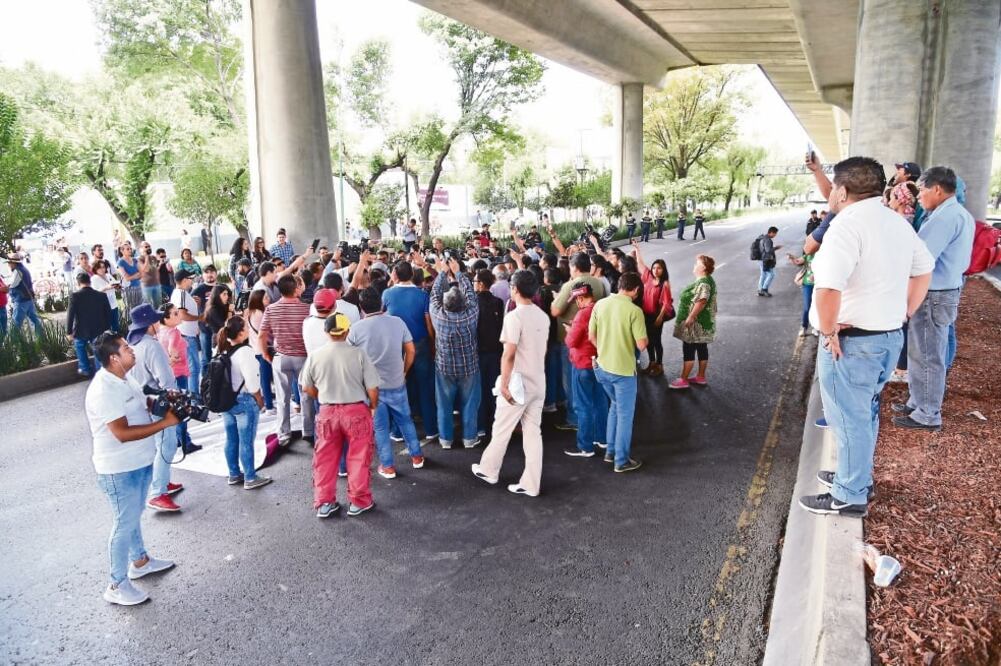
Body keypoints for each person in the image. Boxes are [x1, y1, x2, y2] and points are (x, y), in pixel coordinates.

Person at [798, 156, 933, 518]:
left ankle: (848, 494)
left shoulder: (845, 227)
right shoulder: (896, 223)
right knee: (865, 414)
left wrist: (829, 331)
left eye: (832, 188)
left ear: (842, 191)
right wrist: (905, 311)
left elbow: (828, 289)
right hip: (887, 337)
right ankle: (856, 477)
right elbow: (925, 270)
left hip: (852, 343)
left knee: (849, 419)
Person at [86, 332, 180, 606]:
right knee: (124, 523)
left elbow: (142, 403)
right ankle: (116, 584)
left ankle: (140, 561)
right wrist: (165, 423)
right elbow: (122, 433)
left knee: (133, 516)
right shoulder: (104, 389)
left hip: (138, 461)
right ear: (114, 358)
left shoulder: (126, 377)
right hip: (119, 469)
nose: (132, 350)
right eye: (126, 348)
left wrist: (162, 402)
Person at [893, 166, 974, 432]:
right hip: (942, 292)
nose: (919, 196)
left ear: (937, 189)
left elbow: (919, 257)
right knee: (922, 352)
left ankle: (927, 414)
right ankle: (918, 402)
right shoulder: (956, 214)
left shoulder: (944, 218)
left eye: (922, 190)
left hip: (934, 294)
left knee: (927, 355)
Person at [472, 269, 549, 496]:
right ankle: (531, 484)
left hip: (518, 383)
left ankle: (489, 470)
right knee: (533, 434)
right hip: (538, 381)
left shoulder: (514, 317)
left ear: (514, 289)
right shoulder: (542, 316)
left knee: (501, 428)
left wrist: (504, 384)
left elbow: (508, 354)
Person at [301, 312, 380, 519]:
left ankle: (325, 503)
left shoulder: (315, 356)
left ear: (326, 332)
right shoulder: (359, 354)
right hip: (356, 411)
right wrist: (373, 405)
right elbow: (372, 387)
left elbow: (306, 387)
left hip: (327, 412)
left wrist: (321, 396)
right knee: (358, 458)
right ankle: (358, 502)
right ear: (347, 331)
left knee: (325, 459)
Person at [349, 287, 424, 478]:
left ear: (361, 307)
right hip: (397, 381)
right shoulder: (397, 322)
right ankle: (417, 456)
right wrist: (404, 371)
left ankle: (388, 466)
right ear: (381, 304)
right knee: (405, 420)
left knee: (381, 428)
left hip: (372, 388)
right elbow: (411, 350)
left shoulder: (356, 329)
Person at [126, 304, 187, 512]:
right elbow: (166, 379)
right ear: (149, 324)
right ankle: (158, 493)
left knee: (159, 444)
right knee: (167, 445)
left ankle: (163, 482)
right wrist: (176, 400)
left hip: (142, 402)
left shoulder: (132, 344)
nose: (158, 323)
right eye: (155, 320)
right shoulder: (151, 346)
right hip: (159, 403)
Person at [590, 272, 647, 473]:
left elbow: (591, 336)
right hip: (623, 372)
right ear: (636, 290)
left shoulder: (600, 304)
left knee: (614, 406)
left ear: (619, 285)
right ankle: (621, 461)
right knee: (625, 416)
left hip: (601, 368)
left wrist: (605, 349)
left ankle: (610, 451)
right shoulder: (634, 311)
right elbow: (641, 345)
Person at [551, 252, 607, 432]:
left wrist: (556, 298)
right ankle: (596, 421)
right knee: (594, 384)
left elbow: (556, 311)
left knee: (572, 382)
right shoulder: (598, 283)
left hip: (573, 341)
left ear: (574, 267)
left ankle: (575, 419)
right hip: (594, 339)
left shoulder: (571, 285)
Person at [382, 261, 437, 442]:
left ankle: (398, 431)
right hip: (420, 343)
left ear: (395, 275)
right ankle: (430, 428)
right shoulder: (422, 295)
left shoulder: (387, 294)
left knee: (399, 387)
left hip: (396, 345)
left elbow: (381, 316)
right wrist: (433, 344)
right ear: (412, 275)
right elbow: (428, 324)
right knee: (425, 386)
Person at [429, 257, 481, 449]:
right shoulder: (471, 314)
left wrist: (443, 272)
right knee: (470, 404)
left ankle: (446, 440)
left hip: (444, 367)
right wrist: (458, 272)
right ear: (463, 303)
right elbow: (471, 294)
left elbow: (434, 294)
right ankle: (469, 439)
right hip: (469, 366)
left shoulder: (438, 315)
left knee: (444, 404)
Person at [215, 316, 272, 489]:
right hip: (244, 401)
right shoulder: (245, 352)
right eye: (246, 327)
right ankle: (250, 478)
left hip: (226, 401)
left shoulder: (220, 349)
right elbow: (253, 384)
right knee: (246, 441)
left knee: (231, 439)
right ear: (241, 333)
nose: (248, 329)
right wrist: (260, 400)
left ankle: (234, 474)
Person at [258, 274, 314, 446]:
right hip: (303, 357)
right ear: (296, 290)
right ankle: (309, 431)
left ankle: (283, 434)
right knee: (306, 396)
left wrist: (266, 354)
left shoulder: (271, 309)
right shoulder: (307, 309)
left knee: (282, 398)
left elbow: (262, 335)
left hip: (281, 357)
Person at [562, 281, 607, 457]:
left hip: (582, 364)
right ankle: (602, 439)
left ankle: (585, 447)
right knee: (600, 403)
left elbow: (571, 342)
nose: (576, 303)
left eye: (576, 300)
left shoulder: (582, 314)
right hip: (599, 363)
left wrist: (570, 330)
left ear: (580, 298)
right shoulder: (601, 309)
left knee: (583, 406)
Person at [669, 255, 718, 389]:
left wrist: (691, 316)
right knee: (702, 348)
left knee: (689, 349)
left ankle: (683, 379)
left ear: (703, 268)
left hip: (696, 324)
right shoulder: (708, 280)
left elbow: (702, 300)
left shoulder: (703, 283)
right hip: (703, 323)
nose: (695, 265)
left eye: (697, 263)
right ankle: (700, 377)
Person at [632, 241, 673, 377]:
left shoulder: (664, 284)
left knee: (657, 341)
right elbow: (640, 264)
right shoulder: (648, 277)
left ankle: (659, 365)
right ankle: (652, 363)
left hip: (656, 316)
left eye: (659, 268)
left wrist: (660, 318)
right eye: (654, 267)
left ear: (663, 270)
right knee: (648, 340)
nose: (655, 270)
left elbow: (666, 303)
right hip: (646, 315)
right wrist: (637, 249)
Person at [473, 268, 505, 438]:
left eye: (475, 281)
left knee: (479, 390)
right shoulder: (498, 302)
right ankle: (496, 423)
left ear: (480, 284)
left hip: (478, 352)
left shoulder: (472, 302)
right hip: (495, 351)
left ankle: (480, 426)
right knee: (494, 389)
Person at [66, 272, 114, 377]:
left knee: (79, 345)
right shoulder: (101, 295)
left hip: (81, 329)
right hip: (99, 328)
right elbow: (108, 313)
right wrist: (107, 328)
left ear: (78, 283)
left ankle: (85, 369)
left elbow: (70, 315)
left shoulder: (75, 296)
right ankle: (99, 371)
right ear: (90, 282)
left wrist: (69, 332)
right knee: (97, 348)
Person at [169, 269, 203, 398]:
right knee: (194, 369)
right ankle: (194, 399)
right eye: (190, 279)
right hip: (186, 336)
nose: (192, 281)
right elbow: (182, 315)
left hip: (187, 334)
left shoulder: (181, 293)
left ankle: (193, 397)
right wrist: (200, 318)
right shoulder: (181, 294)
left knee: (193, 368)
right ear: (184, 280)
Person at [244, 289, 275, 414]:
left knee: (263, 378)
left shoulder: (250, 312)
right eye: (265, 297)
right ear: (258, 300)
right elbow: (264, 333)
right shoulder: (259, 314)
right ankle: (269, 406)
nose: (268, 299)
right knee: (265, 379)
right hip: (262, 349)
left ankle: (266, 404)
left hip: (255, 349)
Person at [5, 253, 43, 336]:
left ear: (14, 263)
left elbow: (12, 285)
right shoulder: (24, 269)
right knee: (35, 320)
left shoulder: (17, 271)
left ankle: (13, 342)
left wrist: (5, 286)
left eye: (9, 263)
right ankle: (41, 338)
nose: (8, 265)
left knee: (16, 323)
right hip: (28, 298)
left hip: (21, 300)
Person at [192, 265, 219, 370]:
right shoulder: (198, 290)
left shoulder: (221, 287)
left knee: (222, 355)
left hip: (220, 327)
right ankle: (206, 377)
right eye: (206, 272)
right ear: (203, 275)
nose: (209, 274)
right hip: (205, 328)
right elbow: (189, 308)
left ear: (216, 273)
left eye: (212, 272)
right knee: (206, 357)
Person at [788, 251, 816, 337]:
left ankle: (815, 327)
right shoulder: (808, 255)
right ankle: (804, 327)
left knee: (817, 307)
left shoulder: (824, 254)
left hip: (819, 284)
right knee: (807, 307)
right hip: (807, 284)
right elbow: (798, 261)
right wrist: (792, 259)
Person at [91, 260, 121, 333]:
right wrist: (106, 288)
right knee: (107, 327)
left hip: (113, 303)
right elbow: (94, 293)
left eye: (103, 267)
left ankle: (117, 337)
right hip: (104, 305)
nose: (102, 269)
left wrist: (117, 287)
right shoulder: (94, 278)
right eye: (99, 267)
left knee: (116, 325)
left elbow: (114, 284)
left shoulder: (108, 275)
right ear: (95, 269)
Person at [116, 242, 143, 312]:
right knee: (132, 310)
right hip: (128, 290)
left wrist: (133, 276)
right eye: (128, 249)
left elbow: (142, 274)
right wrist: (137, 275)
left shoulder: (135, 260)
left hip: (139, 287)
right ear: (122, 251)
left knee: (141, 309)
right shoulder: (120, 262)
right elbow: (127, 278)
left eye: (130, 248)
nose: (130, 250)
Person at [756, 227, 781, 296]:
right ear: (771, 232)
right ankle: (764, 289)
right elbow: (768, 250)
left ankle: (760, 290)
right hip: (765, 260)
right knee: (771, 274)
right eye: (775, 234)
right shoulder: (767, 240)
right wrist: (776, 248)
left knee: (763, 274)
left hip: (760, 259)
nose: (775, 235)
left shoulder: (762, 237)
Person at [137, 242, 161, 306]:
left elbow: (156, 269)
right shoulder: (139, 259)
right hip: (147, 286)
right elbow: (146, 269)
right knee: (148, 306)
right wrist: (146, 256)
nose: (148, 248)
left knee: (158, 305)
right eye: (146, 247)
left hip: (157, 284)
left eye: (149, 246)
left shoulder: (153, 257)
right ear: (141, 249)